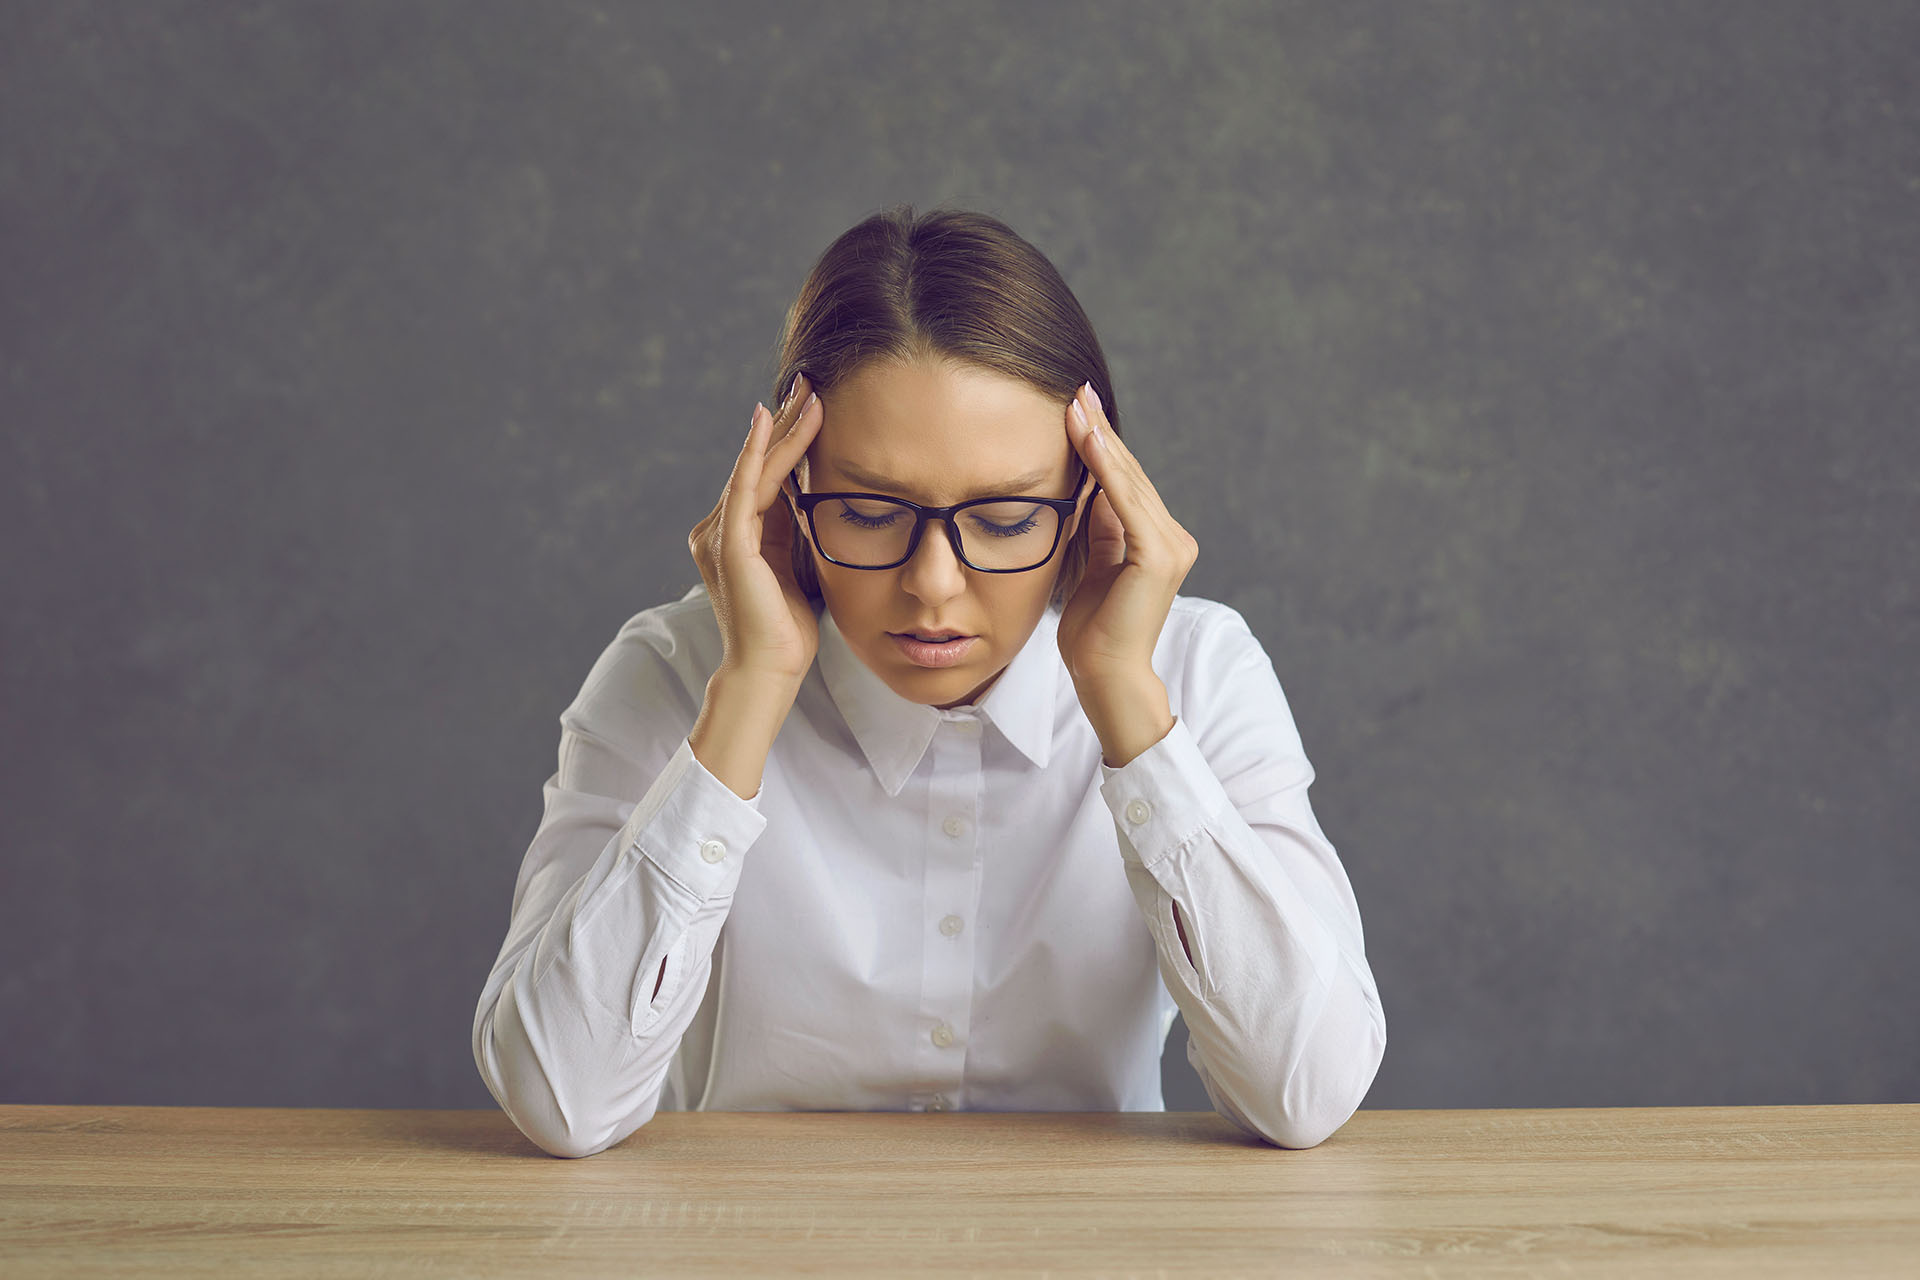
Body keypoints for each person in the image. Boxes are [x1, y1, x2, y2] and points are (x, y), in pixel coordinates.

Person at [471, 205, 1386, 1158]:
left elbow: (1306, 1093)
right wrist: (749, 690)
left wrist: (1125, 697)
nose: (933, 585)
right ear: (788, 490)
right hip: (744, 1228)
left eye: (1007, 518)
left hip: (1091, 1229)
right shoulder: (672, 672)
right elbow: (560, 1100)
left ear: (1092, 499)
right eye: (869, 512)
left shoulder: (1198, 671)